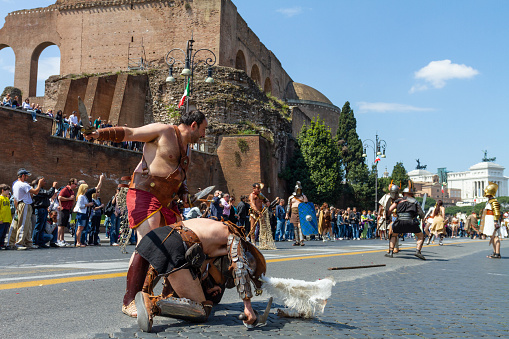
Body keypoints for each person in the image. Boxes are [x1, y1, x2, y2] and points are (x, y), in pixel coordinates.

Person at [85, 110, 207, 317]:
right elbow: (130, 133)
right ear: (193, 125)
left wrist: (184, 192)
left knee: (179, 241)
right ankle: (130, 300)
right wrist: (99, 134)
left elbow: (179, 175)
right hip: (145, 192)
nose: (204, 135)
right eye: (204, 129)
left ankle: (170, 296)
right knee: (149, 239)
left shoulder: (189, 149)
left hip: (167, 200)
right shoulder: (163, 131)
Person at [132, 218, 266, 332]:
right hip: (176, 246)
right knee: (203, 310)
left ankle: (145, 293)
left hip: (155, 237)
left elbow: (199, 263)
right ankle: (153, 304)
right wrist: (248, 307)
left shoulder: (215, 227)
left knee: (179, 293)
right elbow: (239, 268)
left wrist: (207, 286)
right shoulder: (235, 238)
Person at [385, 181, 426, 260]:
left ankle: (391, 252)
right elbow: (420, 213)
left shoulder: (398, 200)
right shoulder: (415, 201)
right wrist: (423, 218)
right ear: (412, 194)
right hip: (411, 222)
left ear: (403, 193)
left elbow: (389, 209)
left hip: (399, 221)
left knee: (394, 235)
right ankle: (418, 251)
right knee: (421, 236)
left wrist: (387, 217)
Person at [8, 169, 43, 250]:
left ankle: (27, 242)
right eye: (27, 176)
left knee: (27, 224)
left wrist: (17, 208)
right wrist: (39, 184)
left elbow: (15, 198)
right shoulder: (24, 184)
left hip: (20, 204)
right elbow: (36, 192)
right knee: (23, 224)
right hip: (25, 204)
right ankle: (19, 243)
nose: (27, 177)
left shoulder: (15, 184)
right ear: (23, 175)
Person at [481, 182, 507, 259]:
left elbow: (496, 213)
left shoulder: (494, 201)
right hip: (489, 220)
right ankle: (495, 252)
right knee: (492, 237)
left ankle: (497, 253)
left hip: (492, 220)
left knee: (495, 237)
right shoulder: (489, 201)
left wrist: (495, 222)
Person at [32, 176, 58, 248]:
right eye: (44, 181)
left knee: (42, 227)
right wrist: (53, 187)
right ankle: (35, 242)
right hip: (40, 209)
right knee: (38, 227)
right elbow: (49, 194)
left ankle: (41, 242)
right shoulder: (38, 189)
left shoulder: (41, 189)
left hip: (44, 209)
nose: (45, 182)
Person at [286, 181, 308, 246]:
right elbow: (288, 206)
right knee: (295, 227)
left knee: (300, 226)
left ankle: (301, 241)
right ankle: (297, 241)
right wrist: (287, 214)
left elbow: (307, 205)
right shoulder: (291, 197)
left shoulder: (303, 197)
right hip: (294, 212)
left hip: (301, 213)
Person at [57, 178, 77, 247]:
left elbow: (73, 199)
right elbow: (59, 197)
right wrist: (69, 199)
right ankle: (58, 240)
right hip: (63, 209)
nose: (76, 186)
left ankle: (62, 239)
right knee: (60, 225)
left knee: (64, 225)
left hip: (68, 209)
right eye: (75, 184)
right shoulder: (65, 189)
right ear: (71, 183)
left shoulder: (72, 191)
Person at [0, 184, 12, 249]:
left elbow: (8, 210)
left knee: (4, 233)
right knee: (0, 233)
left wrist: (10, 219)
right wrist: (0, 219)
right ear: (2, 190)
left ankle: (2, 244)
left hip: (7, 219)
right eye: (7, 190)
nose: (8, 192)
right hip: (2, 220)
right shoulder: (0, 198)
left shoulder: (7, 199)